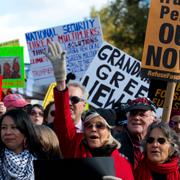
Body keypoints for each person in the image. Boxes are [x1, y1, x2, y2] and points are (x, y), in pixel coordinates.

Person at [44, 42, 134, 179]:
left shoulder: (122, 163)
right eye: (88, 125)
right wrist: (61, 82)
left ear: (110, 130)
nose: (93, 129)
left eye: (99, 125)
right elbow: (63, 120)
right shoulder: (74, 144)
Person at [114, 97, 157, 170]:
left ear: (153, 119)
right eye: (132, 114)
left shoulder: (161, 143)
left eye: (142, 114)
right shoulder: (114, 143)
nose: (136, 117)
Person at [0, 109, 40, 179]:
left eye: (14, 127)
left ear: (25, 131)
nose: (7, 132)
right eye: (3, 128)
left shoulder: (38, 158)